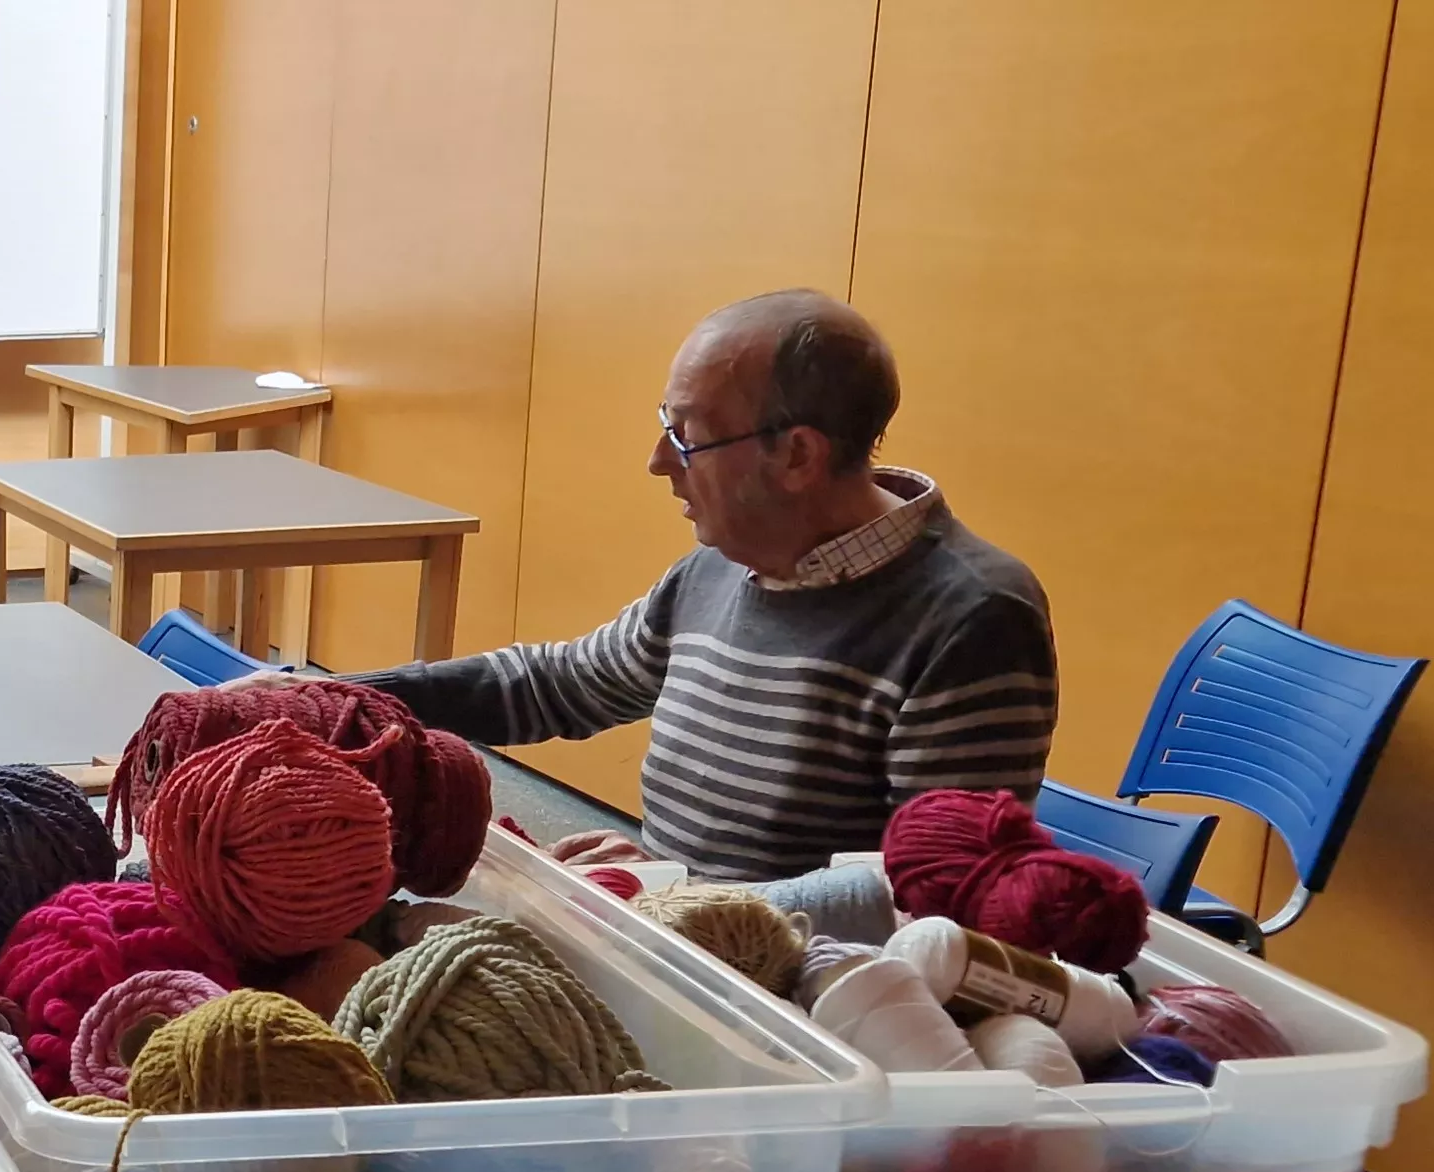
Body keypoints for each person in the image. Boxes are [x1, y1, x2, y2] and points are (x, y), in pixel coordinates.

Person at [352, 290, 1056, 881]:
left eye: (686, 434)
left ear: (797, 454)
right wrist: (337, 701)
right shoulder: (721, 566)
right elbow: (555, 685)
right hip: (684, 950)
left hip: (810, 1014)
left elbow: (932, 899)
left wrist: (678, 895)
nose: (660, 462)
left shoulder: (972, 617)